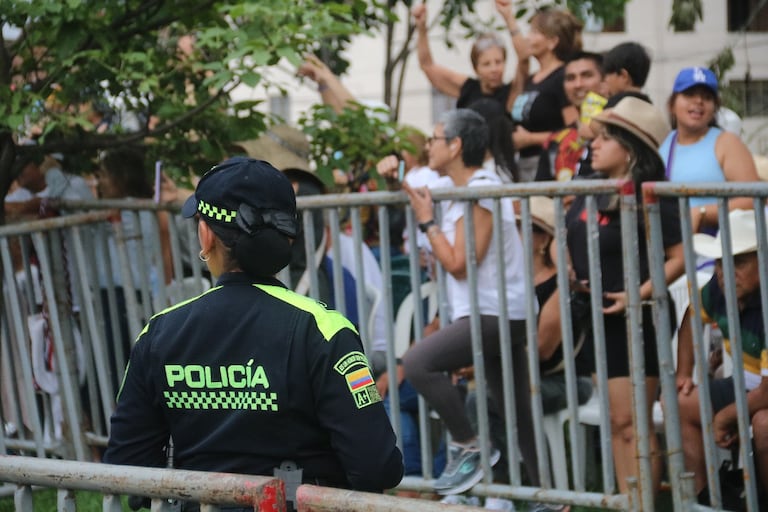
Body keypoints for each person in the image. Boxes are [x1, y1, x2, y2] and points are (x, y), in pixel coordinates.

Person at [103, 157, 404, 504]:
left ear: (206, 235)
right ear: (287, 239)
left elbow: (126, 467)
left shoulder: (159, 332)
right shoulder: (324, 330)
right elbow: (377, 465)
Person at [401, 109, 538, 496]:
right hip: (496, 310)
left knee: (417, 362)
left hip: (496, 311)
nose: (429, 146)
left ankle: (468, 446)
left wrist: (428, 223)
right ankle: (550, 498)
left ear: (456, 145)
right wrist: (396, 175)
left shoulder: (480, 188)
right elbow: (414, 189)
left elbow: (460, 264)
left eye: (435, 138)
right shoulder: (461, 186)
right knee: (517, 411)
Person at [565, 97, 685, 495]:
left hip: (637, 317)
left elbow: (679, 256)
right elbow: (571, 233)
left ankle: (642, 502)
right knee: (618, 422)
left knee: (632, 422)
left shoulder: (652, 194)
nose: (594, 144)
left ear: (630, 148)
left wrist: (636, 295)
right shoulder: (592, 185)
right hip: (597, 316)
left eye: (605, 138)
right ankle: (628, 500)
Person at [675, 209, 768, 503]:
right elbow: (692, 315)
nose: (724, 271)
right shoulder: (719, 286)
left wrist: (725, 418)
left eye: (738, 261)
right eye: (719, 261)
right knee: (680, 402)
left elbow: (767, 393)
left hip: (762, 393)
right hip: (747, 387)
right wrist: (683, 373)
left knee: (764, 424)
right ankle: (706, 502)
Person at [659, 67, 759, 234]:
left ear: (714, 108)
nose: (698, 101)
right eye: (689, 94)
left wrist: (702, 213)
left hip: (716, 244)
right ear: (672, 105)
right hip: (671, 242)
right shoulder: (664, 143)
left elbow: (753, 199)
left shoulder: (727, 142)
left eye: (707, 97)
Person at [521, 196, 593, 414]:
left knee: (483, 400)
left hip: (565, 381)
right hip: (524, 376)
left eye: (521, 227)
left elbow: (542, 349)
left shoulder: (562, 283)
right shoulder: (512, 282)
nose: (512, 235)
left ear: (544, 240)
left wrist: (482, 364)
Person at [509, 6, 583, 181]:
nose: (528, 38)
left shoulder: (562, 77)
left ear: (552, 42)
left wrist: (530, 139)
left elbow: (574, 131)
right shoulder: (532, 79)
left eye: (535, 33)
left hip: (549, 165)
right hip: (524, 165)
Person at [412, 0, 528, 111]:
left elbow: (524, 58)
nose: (494, 69)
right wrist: (421, 28)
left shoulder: (512, 91)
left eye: (498, 62)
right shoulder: (468, 89)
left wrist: (508, 17)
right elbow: (427, 66)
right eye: (486, 64)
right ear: (476, 68)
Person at [535, 51, 607, 182]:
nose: (578, 84)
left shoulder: (618, 134)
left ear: (604, 81)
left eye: (586, 75)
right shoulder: (555, 141)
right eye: (570, 78)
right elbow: (539, 191)